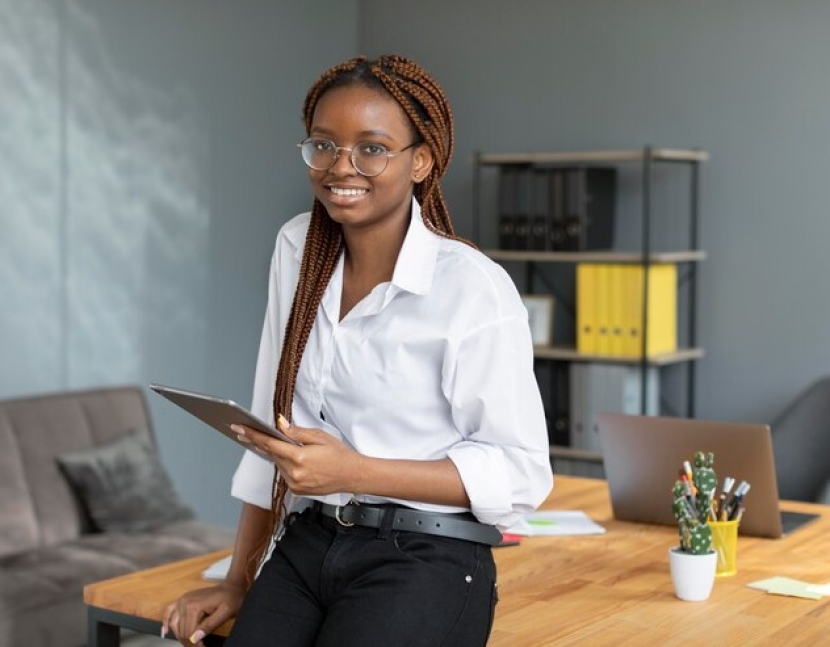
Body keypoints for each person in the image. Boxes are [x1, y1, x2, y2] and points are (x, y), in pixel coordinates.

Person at [162, 53, 552, 647]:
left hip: (426, 555)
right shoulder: (297, 249)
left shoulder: (473, 288)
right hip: (309, 542)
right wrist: (237, 582)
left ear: (421, 161)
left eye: (372, 148)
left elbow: (521, 473)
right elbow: (275, 430)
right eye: (323, 145)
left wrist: (355, 471)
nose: (341, 166)